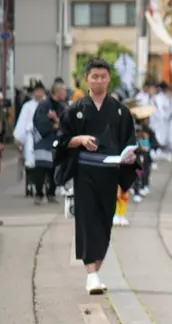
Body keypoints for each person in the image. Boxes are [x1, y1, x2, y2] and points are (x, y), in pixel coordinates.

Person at [53, 58, 138, 294]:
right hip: (85, 173)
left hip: (110, 173)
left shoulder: (120, 111)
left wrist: (130, 157)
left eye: (103, 76)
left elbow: (130, 143)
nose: (99, 80)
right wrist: (79, 140)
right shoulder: (75, 110)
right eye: (94, 76)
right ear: (86, 79)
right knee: (87, 220)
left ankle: (96, 270)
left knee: (104, 221)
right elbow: (60, 141)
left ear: (109, 78)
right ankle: (92, 274)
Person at [31, 81, 67, 204]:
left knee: (55, 168)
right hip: (43, 140)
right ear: (57, 92)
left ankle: (51, 193)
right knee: (41, 168)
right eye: (64, 91)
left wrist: (57, 122)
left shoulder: (63, 107)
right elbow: (39, 121)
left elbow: (65, 123)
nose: (65, 93)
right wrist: (53, 125)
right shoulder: (44, 105)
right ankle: (39, 193)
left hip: (55, 141)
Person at [15, 81, 45, 197]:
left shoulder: (46, 104)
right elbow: (22, 122)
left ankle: (41, 185)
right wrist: (20, 139)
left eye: (41, 91)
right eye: (37, 91)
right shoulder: (28, 106)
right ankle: (29, 184)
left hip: (43, 136)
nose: (39, 94)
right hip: (31, 136)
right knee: (30, 161)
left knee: (42, 162)